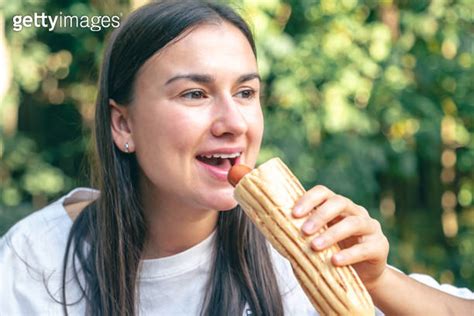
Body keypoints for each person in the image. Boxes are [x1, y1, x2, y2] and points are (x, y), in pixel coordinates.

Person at [0, 1, 473, 315]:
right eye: (194, 93)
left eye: (246, 91)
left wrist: (375, 281)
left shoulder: (295, 254)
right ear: (123, 125)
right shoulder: (36, 263)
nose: (234, 122)